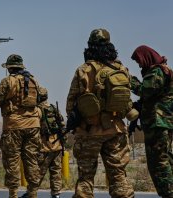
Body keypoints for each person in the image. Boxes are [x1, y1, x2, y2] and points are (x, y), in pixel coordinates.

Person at [66, 29, 134, 198]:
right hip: (115, 129)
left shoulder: (83, 70)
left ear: (90, 46)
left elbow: (71, 103)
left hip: (89, 131)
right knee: (118, 176)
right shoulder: (121, 68)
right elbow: (127, 101)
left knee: (86, 178)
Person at [0, 54, 42, 198]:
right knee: (32, 161)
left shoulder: (8, 81)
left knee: (12, 162)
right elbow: (42, 95)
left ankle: (13, 194)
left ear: (9, 68)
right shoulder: (33, 80)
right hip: (33, 126)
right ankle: (33, 194)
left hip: (13, 127)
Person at [130, 45, 173, 197]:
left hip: (158, 123)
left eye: (140, 61)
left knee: (159, 162)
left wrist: (130, 80)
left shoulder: (158, 71)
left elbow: (145, 90)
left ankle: (168, 193)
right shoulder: (161, 70)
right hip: (159, 123)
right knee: (164, 159)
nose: (140, 65)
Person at [20, 87, 64, 198]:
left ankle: (31, 193)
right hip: (57, 145)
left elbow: (33, 129)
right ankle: (56, 194)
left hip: (44, 147)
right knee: (56, 172)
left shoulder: (36, 110)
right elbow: (62, 125)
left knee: (38, 172)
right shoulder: (53, 108)